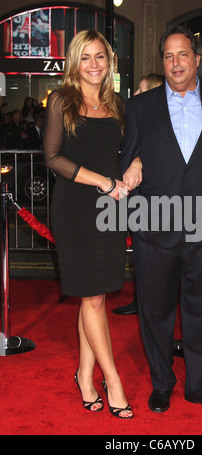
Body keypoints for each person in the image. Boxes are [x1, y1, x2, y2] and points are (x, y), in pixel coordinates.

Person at [121, 26, 202, 414]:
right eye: (168, 56)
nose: (175, 62)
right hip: (154, 229)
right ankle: (162, 383)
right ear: (162, 62)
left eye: (182, 55)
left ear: (197, 59)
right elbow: (126, 165)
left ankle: (200, 386)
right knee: (154, 312)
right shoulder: (141, 107)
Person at [43, 30, 141, 419]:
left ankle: (84, 375)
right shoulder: (61, 101)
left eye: (101, 57)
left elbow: (135, 149)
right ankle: (112, 379)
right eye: (86, 57)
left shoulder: (118, 104)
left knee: (95, 295)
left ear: (110, 62)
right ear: (74, 61)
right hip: (75, 207)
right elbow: (52, 157)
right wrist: (101, 180)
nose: (94, 64)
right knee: (92, 297)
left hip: (111, 209)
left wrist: (135, 164)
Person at [113, 72, 165, 316]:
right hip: (138, 198)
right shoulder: (136, 116)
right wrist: (135, 159)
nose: (135, 94)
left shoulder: (163, 120)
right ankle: (143, 302)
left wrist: (138, 161)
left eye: (142, 90)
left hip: (156, 198)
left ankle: (149, 305)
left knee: (154, 256)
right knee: (144, 255)